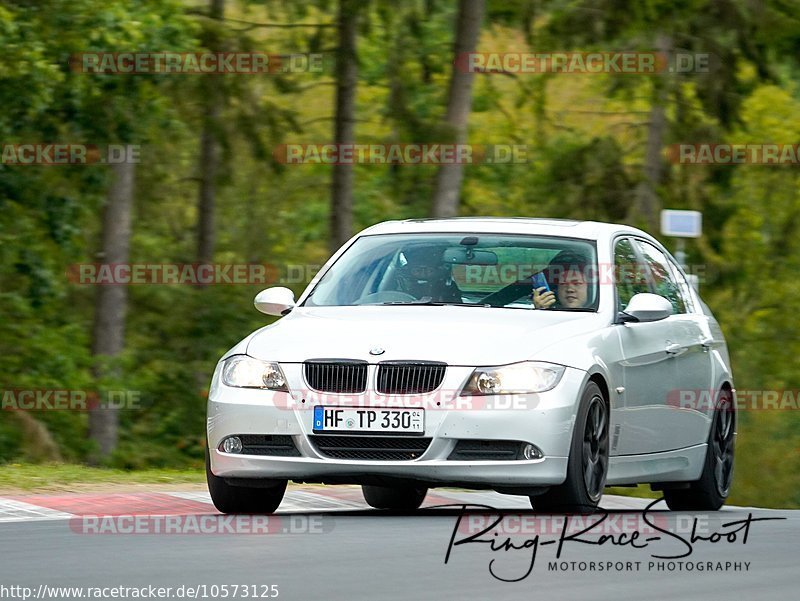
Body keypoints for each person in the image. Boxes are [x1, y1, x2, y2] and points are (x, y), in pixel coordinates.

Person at [395, 246, 462, 302]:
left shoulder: (448, 287)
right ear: (408, 271)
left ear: (437, 271)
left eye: (429, 270)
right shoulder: (400, 287)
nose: (423, 274)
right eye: (418, 270)